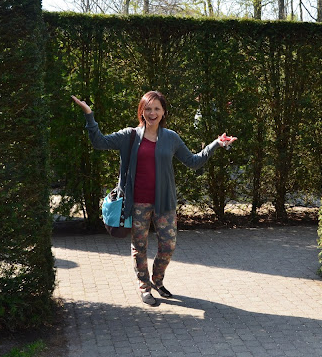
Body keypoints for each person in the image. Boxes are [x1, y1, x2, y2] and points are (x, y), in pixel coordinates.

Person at [71, 91, 236, 306]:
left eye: (157, 108)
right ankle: (144, 286)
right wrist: (89, 114)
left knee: (168, 245)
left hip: (164, 203)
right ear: (141, 111)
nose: (152, 113)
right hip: (137, 203)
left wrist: (216, 144)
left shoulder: (171, 138)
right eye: (148, 109)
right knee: (139, 247)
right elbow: (99, 142)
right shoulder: (129, 135)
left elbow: (193, 161)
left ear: (163, 112)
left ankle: (157, 280)